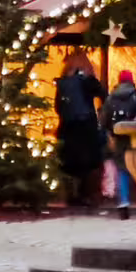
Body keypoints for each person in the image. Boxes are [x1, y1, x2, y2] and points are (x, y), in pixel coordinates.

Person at [52, 51, 105, 209]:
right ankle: (85, 195)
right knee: (87, 164)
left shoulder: (62, 82)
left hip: (67, 128)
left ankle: (71, 196)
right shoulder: (86, 81)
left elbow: (57, 107)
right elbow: (103, 94)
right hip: (85, 127)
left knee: (68, 164)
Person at [103, 70, 136, 219]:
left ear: (119, 81)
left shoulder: (111, 98)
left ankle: (124, 207)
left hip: (119, 140)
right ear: (131, 81)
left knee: (122, 172)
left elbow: (104, 120)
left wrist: (110, 136)